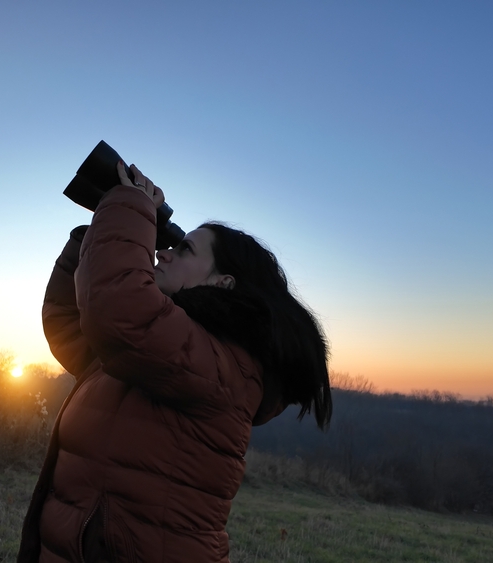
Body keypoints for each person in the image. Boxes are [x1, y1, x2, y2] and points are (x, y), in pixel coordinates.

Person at [18, 162, 332, 563]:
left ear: (224, 283)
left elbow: (114, 307)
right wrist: (100, 233)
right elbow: (72, 323)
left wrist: (131, 205)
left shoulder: (221, 365)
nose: (163, 253)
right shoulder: (159, 348)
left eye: (183, 250)